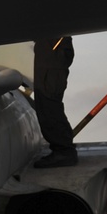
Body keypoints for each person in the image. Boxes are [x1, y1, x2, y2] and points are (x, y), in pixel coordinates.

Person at [32, 36, 77, 167]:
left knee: (48, 103)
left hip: (52, 46)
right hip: (52, 46)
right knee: (47, 102)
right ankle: (63, 150)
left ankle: (64, 152)